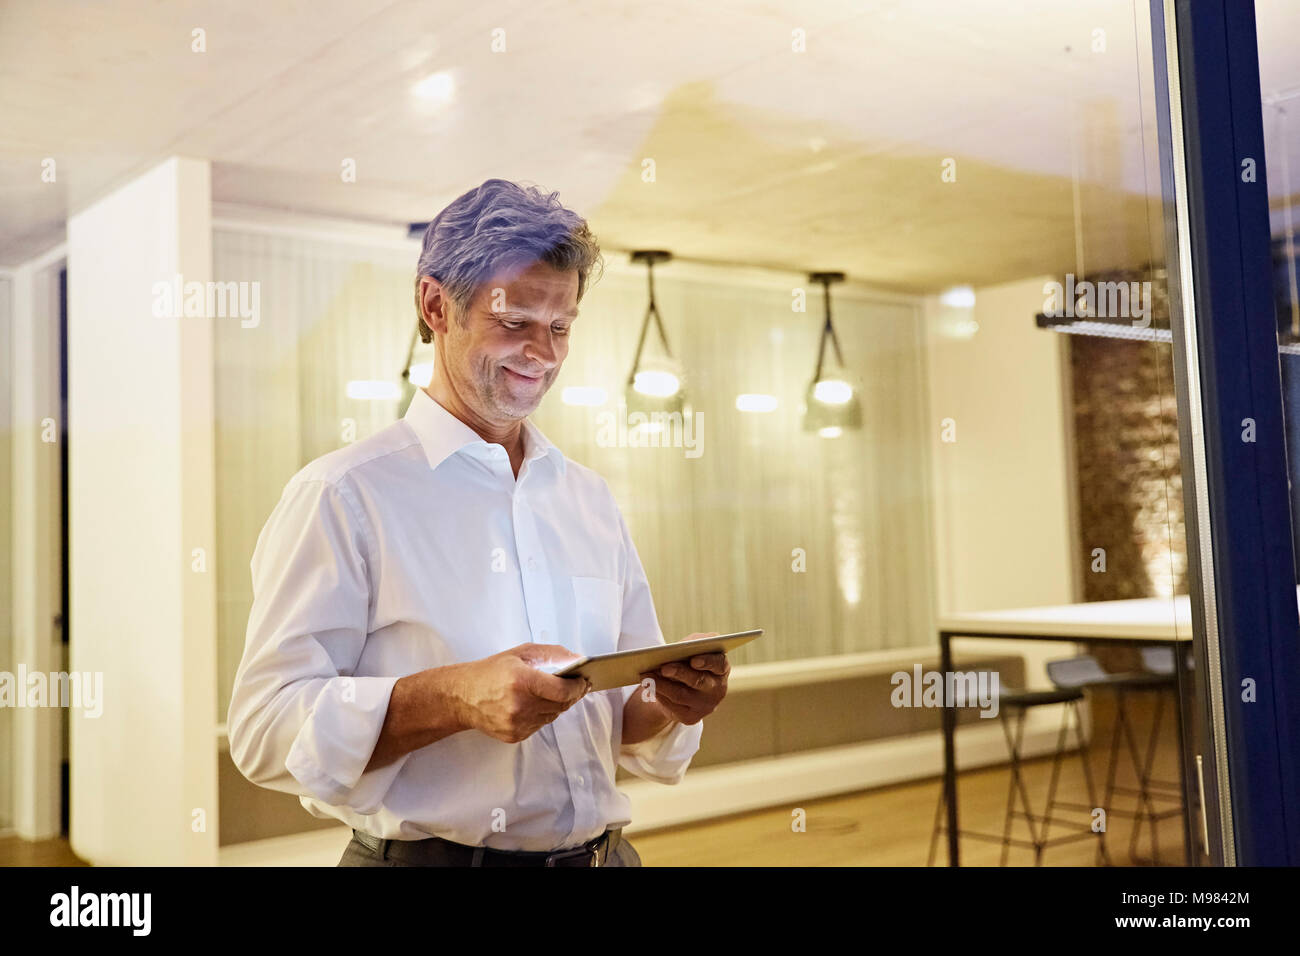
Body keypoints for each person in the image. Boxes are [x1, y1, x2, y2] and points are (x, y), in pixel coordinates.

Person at [227, 178, 730, 867]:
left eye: (560, 328)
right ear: (436, 305)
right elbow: (264, 731)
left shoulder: (588, 498)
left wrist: (673, 699)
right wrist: (456, 698)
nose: (543, 354)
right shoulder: (342, 494)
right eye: (516, 322)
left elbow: (618, 719)